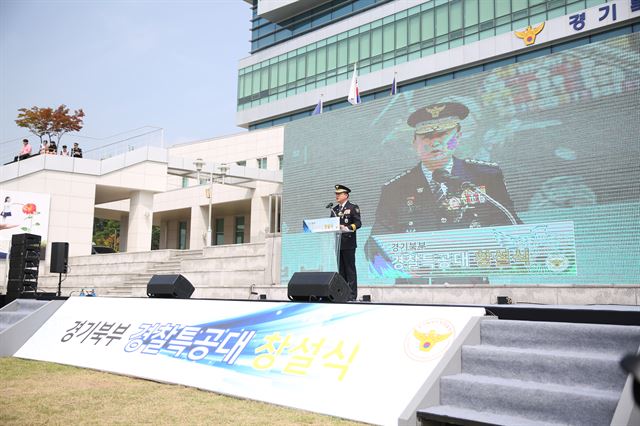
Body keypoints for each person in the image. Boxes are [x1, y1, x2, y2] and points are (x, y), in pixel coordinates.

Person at [365, 102, 521, 277]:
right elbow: (374, 244)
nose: (435, 142)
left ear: (458, 136)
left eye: (443, 133)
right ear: (414, 142)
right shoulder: (394, 189)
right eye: (427, 136)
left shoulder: (485, 176)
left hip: (472, 282)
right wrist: (400, 270)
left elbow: (510, 227)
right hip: (414, 290)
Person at [331, 184, 361, 301]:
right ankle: (342, 294)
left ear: (346, 195)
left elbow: (358, 223)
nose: (337, 196)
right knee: (341, 271)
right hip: (338, 243)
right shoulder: (334, 210)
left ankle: (352, 295)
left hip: (348, 243)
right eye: (336, 194)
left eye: (339, 194)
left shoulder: (353, 207)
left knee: (350, 270)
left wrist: (347, 228)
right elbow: (330, 224)